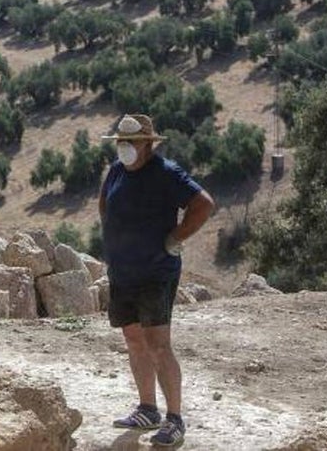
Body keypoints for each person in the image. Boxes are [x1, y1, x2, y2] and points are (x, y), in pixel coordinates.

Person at [98, 114, 215, 448]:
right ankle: (147, 408)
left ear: (148, 144)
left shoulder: (166, 173)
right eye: (121, 141)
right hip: (123, 271)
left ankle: (174, 418)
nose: (125, 148)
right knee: (134, 339)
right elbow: (104, 203)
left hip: (155, 272)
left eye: (131, 142)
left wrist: (175, 238)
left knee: (158, 344)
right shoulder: (117, 171)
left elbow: (203, 204)